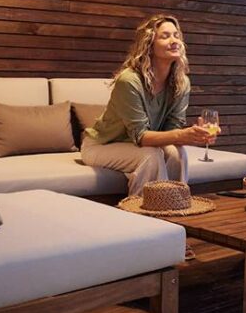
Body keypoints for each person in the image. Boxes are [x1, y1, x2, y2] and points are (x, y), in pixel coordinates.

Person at [81, 14, 217, 201]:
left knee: (177, 152)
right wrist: (182, 135)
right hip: (101, 146)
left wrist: (194, 136)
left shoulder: (181, 82)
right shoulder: (129, 81)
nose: (174, 41)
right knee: (150, 155)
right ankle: (141, 211)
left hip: (136, 146)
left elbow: (172, 129)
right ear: (149, 45)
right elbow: (141, 136)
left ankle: (175, 205)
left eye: (176, 35)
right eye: (165, 36)